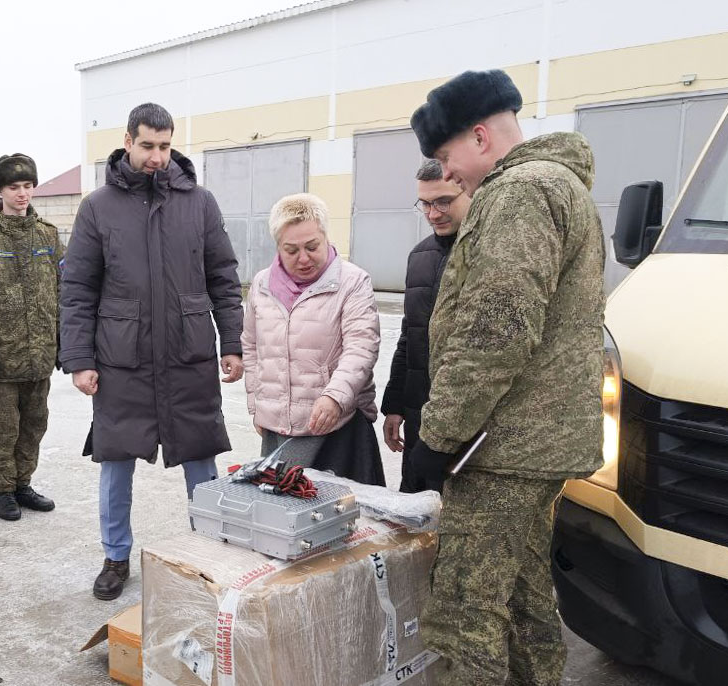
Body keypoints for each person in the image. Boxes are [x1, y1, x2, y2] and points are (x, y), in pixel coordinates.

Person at [408, 69, 606, 685]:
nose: (449, 174)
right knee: (524, 599)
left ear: (479, 137)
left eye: (447, 158)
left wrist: (438, 434)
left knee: (466, 614)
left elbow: (495, 331)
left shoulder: (521, 191)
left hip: (500, 449)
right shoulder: (561, 186)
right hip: (531, 444)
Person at [60, 102, 244, 601]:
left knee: (201, 458)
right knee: (115, 461)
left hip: (188, 355)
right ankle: (115, 555)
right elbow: (77, 288)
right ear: (127, 142)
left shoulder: (199, 202)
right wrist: (78, 359)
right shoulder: (98, 206)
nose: (157, 157)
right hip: (123, 359)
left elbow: (223, 278)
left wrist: (232, 342)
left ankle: (209, 551)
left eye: (165, 146)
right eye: (147, 146)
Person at [241, 192, 383, 485]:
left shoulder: (352, 282)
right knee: (284, 517)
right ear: (278, 246)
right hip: (278, 427)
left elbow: (361, 347)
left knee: (340, 517)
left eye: (312, 246)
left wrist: (335, 397)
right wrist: (257, 405)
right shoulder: (261, 284)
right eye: (291, 250)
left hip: (336, 424)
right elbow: (252, 347)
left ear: (325, 236)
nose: (303, 258)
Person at [0, 154, 61, 521]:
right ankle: (3, 490)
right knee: (5, 427)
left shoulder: (47, 234)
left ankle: (23, 483)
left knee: (35, 423)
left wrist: (62, 338)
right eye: (13, 187)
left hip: (39, 353)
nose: (22, 194)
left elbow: (61, 288)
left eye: (27, 186)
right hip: (1, 355)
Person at [380, 159, 469, 493]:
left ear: (469, 190)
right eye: (426, 204)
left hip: (465, 425)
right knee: (414, 514)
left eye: (443, 202)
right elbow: (409, 335)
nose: (433, 214)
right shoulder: (419, 256)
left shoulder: (488, 256)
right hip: (420, 415)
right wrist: (394, 406)